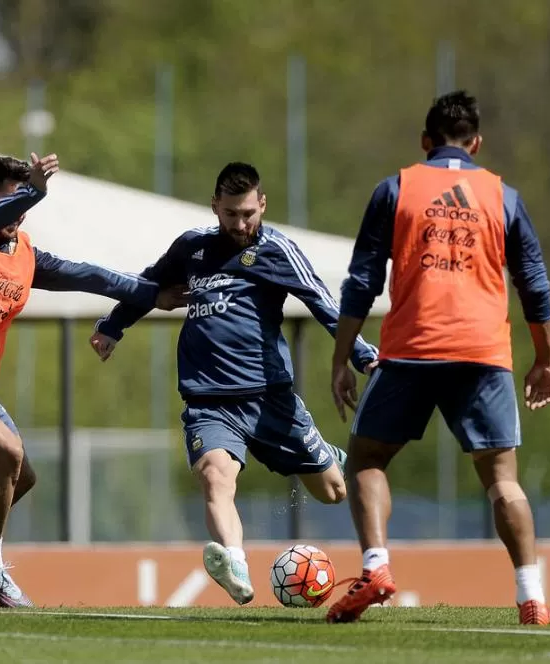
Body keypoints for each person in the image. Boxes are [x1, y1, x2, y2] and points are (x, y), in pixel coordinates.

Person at [0, 153, 187, 609]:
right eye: (10, 203)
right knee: (8, 454)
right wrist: (32, 190)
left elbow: (89, 275)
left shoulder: (25, 255)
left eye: (25, 208)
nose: (18, 216)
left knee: (22, 475)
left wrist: (152, 295)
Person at [89, 162, 378, 605]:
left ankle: (331, 455)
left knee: (334, 492)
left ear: (262, 203)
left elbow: (323, 302)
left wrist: (362, 354)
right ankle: (235, 563)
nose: (240, 224)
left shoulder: (278, 250)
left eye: (248, 213)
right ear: (214, 208)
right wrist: (113, 325)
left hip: (269, 400)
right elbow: (149, 283)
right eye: (230, 215)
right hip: (209, 401)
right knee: (215, 477)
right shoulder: (192, 248)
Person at [327, 91, 550, 625]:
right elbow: (536, 286)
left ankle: (377, 566)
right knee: (502, 479)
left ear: (425, 142)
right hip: (483, 351)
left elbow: (361, 282)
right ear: (476, 143)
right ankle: (532, 595)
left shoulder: (396, 189)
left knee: (367, 459)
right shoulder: (504, 196)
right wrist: (545, 357)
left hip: (413, 348)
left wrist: (341, 358)